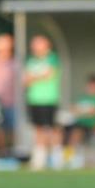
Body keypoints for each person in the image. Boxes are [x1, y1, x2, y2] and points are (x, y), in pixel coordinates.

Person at [24, 35, 62, 170]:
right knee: (38, 128)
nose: (34, 46)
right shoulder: (31, 60)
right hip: (34, 99)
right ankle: (39, 159)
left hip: (49, 99)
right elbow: (26, 80)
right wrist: (36, 77)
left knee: (52, 128)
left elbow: (49, 75)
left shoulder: (52, 58)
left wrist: (34, 77)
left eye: (38, 43)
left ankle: (57, 158)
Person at [66, 74, 95, 169]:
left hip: (92, 125)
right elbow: (73, 109)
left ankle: (74, 161)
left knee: (76, 133)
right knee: (63, 131)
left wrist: (81, 111)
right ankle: (66, 159)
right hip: (79, 123)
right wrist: (84, 111)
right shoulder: (83, 98)